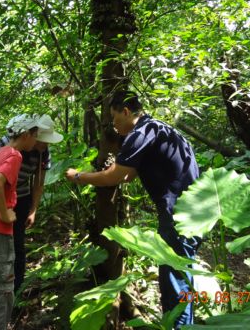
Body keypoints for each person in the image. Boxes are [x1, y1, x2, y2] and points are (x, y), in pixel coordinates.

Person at [65, 92, 200, 328]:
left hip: (179, 215)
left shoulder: (140, 134)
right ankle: (184, 322)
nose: (114, 127)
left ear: (126, 112)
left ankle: (180, 326)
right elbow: (128, 175)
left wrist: (78, 176)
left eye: (115, 119)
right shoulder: (158, 129)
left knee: (174, 277)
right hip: (195, 210)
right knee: (181, 272)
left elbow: (114, 178)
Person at [0, 115, 63, 295]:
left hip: (20, 198)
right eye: (43, 140)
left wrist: (33, 210)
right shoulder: (9, 144)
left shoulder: (43, 152)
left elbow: (38, 183)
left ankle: (15, 288)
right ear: (31, 135)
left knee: (16, 242)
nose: (45, 145)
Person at [0, 114, 48, 330]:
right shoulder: (14, 155)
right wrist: (4, 213)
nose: (36, 142)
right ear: (25, 135)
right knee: (0, 290)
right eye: (35, 136)